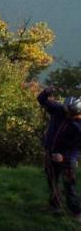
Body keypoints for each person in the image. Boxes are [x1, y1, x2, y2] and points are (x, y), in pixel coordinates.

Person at [38, 87, 81, 218]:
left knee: (69, 186)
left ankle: (77, 211)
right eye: (67, 111)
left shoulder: (79, 126)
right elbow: (41, 100)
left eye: (71, 113)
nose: (67, 115)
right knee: (52, 182)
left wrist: (64, 156)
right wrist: (47, 92)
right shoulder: (58, 110)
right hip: (50, 154)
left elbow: (77, 148)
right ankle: (55, 206)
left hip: (67, 160)